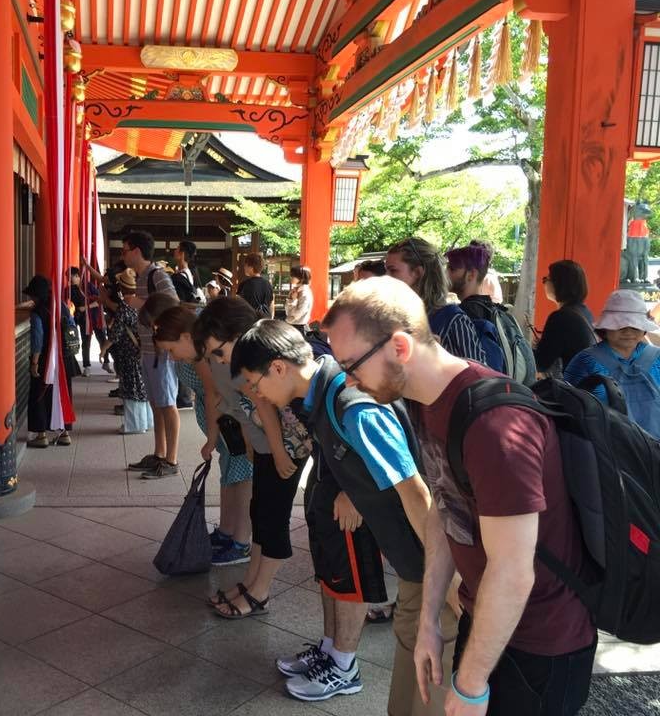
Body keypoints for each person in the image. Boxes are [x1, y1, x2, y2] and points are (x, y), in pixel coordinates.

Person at [326, 276, 597, 715]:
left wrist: (470, 685)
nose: (349, 382)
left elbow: (513, 572)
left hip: (542, 644)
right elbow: (444, 509)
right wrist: (430, 618)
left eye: (352, 365)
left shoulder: (496, 426)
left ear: (399, 347)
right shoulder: (422, 400)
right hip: (489, 618)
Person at [232, 320, 458, 711]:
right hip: (415, 563)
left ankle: (346, 668)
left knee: (431, 674)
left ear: (280, 367)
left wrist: (451, 585)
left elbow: (416, 492)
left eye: (255, 383)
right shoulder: (324, 395)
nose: (256, 395)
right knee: (412, 672)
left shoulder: (353, 407)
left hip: (428, 565)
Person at [193, 297, 311, 618]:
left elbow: (265, 410)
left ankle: (260, 591)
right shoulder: (233, 364)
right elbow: (245, 414)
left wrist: (276, 453)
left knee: (272, 518)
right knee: (260, 514)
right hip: (265, 448)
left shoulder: (249, 367)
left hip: (283, 448)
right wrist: (251, 443)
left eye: (219, 351)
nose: (217, 359)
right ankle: (251, 583)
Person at [152, 301, 254, 565]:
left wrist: (211, 437)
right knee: (231, 476)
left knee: (240, 478)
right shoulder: (198, 352)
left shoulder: (203, 356)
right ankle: (228, 532)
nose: (172, 357)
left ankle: (241, 542)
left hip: (231, 424)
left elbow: (213, 393)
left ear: (186, 336)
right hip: (227, 426)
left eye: (172, 350)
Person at [121, 231, 181, 479]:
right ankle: (159, 454)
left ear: (136, 251)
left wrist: (140, 304)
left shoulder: (157, 274)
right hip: (148, 350)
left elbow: (173, 302)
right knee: (156, 403)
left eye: (125, 250)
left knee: (167, 404)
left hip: (160, 351)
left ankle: (172, 460)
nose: (123, 254)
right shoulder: (144, 275)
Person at [564, 289, 660, 438]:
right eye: (620, 326)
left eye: (635, 326)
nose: (628, 331)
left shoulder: (657, 358)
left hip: (654, 451)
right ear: (605, 328)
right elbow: (569, 407)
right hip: (604, 451)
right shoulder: (584, 361)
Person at [386, 237, 487, 364]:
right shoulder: (398, 318)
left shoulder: (453, 319)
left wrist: (440, 358)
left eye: (393, 270)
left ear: (418, 272)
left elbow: (478, 376)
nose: (386, 277)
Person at [23, 275, 76, 448]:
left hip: (46, 359)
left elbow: (38, 338)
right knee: (63, 393)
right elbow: (71, 325)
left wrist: (34, 362)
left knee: (40, 395)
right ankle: (65, 433)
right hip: (64, 357)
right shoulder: (60, 305)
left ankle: (41, 435)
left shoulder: (37, 312)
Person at [100, 269, 153, 434]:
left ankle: (135, 425)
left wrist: (103, 349)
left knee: (131, 389)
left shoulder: (124, 307)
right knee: (142, 388)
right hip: (141, 352)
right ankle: (147, 422)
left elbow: (115, 334)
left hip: (128, 355)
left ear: (121, 288)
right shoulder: (141, 304)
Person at [533, 260, 597, 377]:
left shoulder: (560, 317)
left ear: (558, 284)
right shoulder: (584, 311)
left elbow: (540, 363)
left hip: (571, 390)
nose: (544, 284)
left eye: (546, 279)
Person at [285, 265, 313, 332]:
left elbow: (297, 315)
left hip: (299, 328)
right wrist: (290, 299)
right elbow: (287, 312)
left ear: (301, 278)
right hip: (293, 326)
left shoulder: (305, 293)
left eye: (293, 275)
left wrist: (293, 300)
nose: (291, 277)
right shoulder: (296, 290)